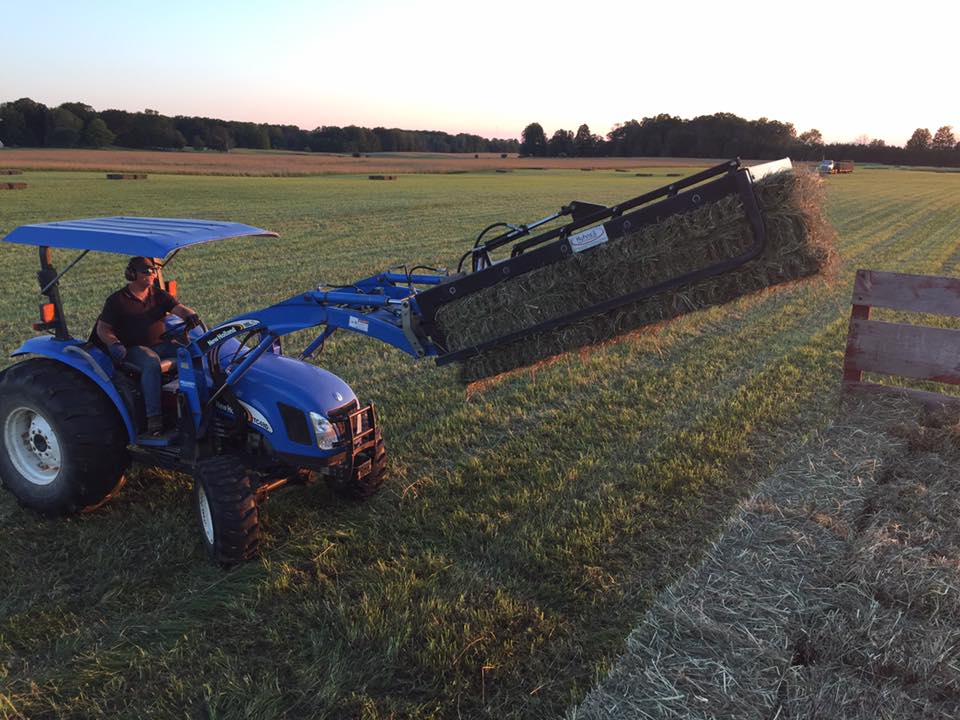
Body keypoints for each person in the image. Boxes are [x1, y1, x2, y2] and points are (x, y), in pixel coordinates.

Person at [96, 256, 201, 436]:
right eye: (146, 271)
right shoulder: (117, 300)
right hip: (132, 349)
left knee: (194, 349)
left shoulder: (158, 295)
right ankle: (154, 419)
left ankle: (198, 403)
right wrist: (114, 344)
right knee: (151, 363)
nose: (151, 275)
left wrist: (190, 315)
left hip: (160, 344)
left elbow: (179, 309)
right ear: (132, 274)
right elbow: (102, 329)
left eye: (153, 271)